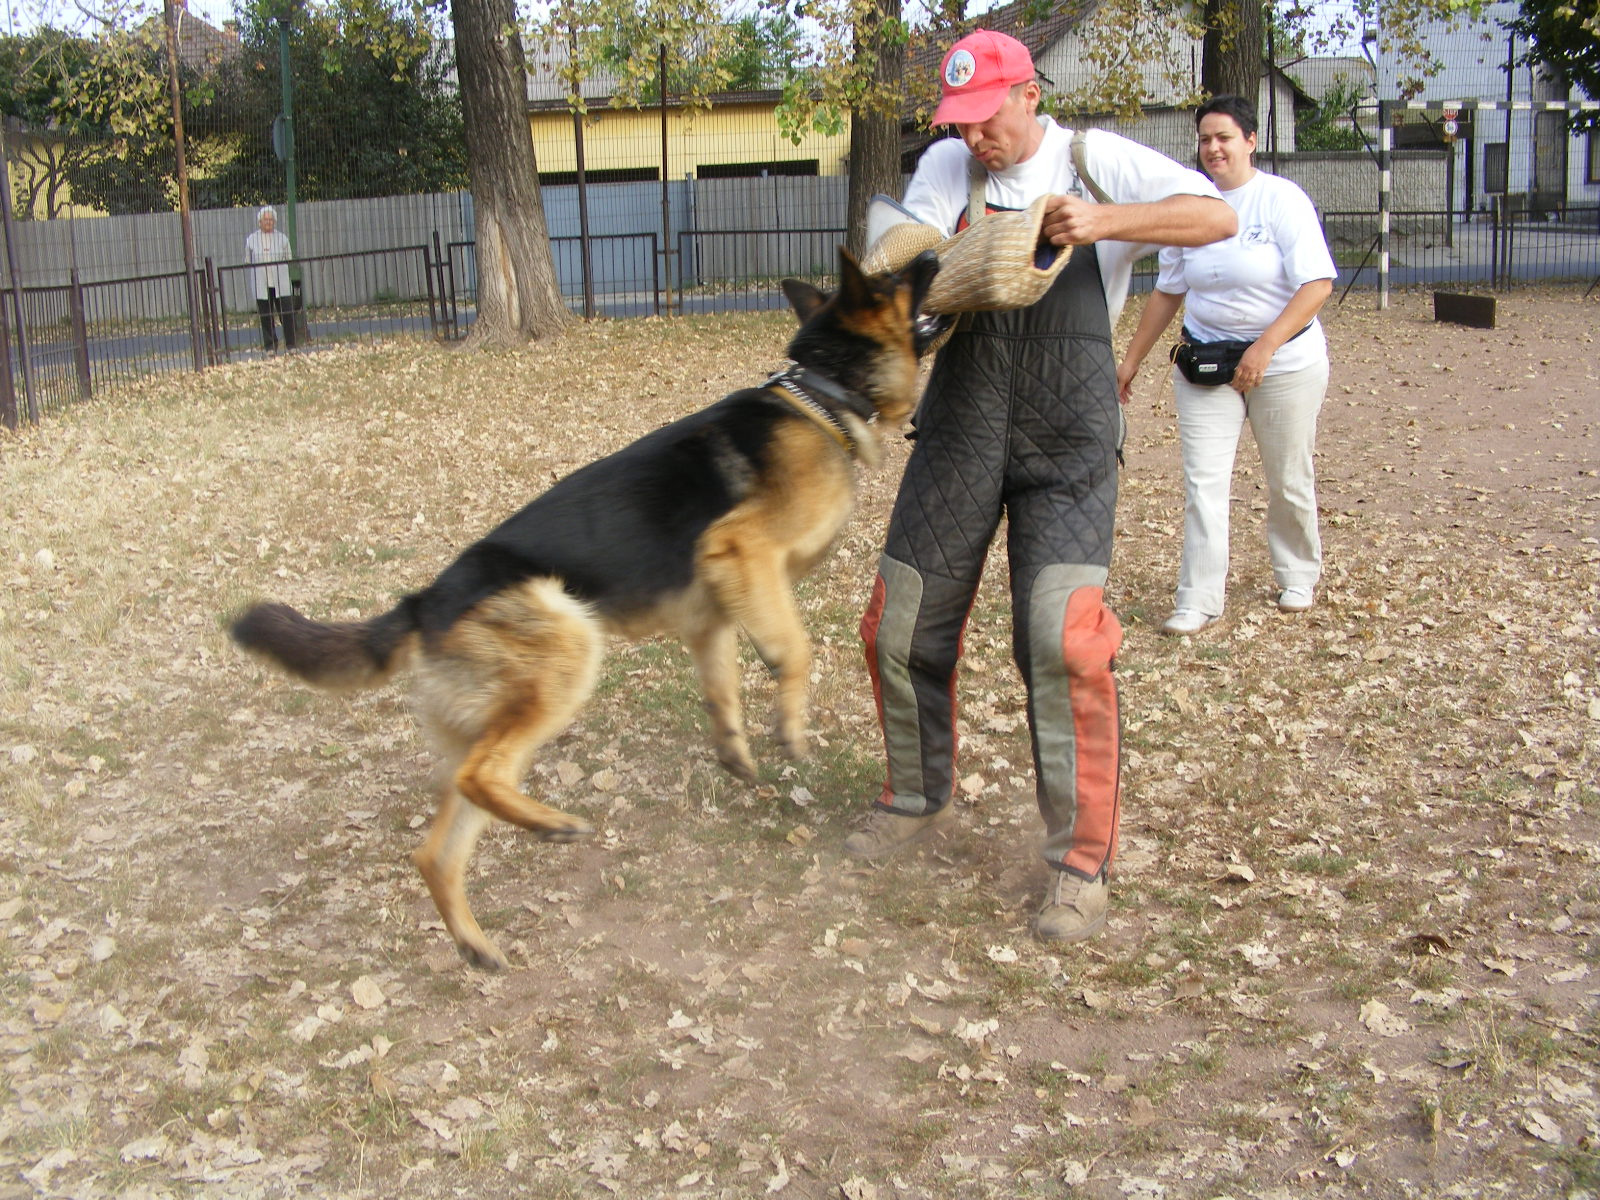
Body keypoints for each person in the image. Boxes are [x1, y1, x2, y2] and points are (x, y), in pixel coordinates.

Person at [844, 29, 1237, 943]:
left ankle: (1077, 862)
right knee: (899, 621)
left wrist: (1100, 222)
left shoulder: (1093, 160)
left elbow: (1216, 215)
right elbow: (904, 251)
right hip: (965, 425)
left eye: (986, 117)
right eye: (960, 122)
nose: (973, 136)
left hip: (1070, 434)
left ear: (1027, 95)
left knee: (1065, 644)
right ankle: (913, 796)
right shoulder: (949, 166)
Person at [1117, 95, 1336, 636]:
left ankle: (1296, 571)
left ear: (1250, 141)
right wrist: (1131, 361)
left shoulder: (1280, 200)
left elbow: (1317, 284)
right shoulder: (1190, 205)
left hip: (1283, 361)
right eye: (1205, 138)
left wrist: (1265, 347)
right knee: (1204, 484)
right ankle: (1199, 597)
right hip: (1207, 364)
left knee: (1287, 475)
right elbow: (1168, 291)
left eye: (1225, 137)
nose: (1213, 148)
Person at [246, 206, 297, 352]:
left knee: (286, 314)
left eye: (271, 220)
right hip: (261, 282)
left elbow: (288, 257)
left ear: (274, 222)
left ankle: (291, 345)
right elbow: (248, 260)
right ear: (259, 222)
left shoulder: (282, 239)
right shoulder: (251, 240)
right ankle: (270, 346)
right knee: (266, 316)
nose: (268, 222)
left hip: (280, 281)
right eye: (265, 220)